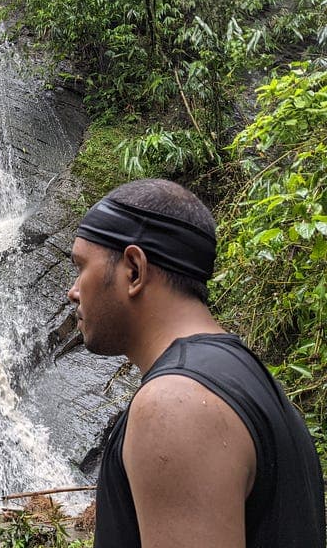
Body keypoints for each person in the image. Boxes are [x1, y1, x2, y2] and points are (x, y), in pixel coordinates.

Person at [67, 178, 325, 548]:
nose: (73, 291)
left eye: (81, 268)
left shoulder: (177, 403)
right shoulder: (242, 378)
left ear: (134, 270)